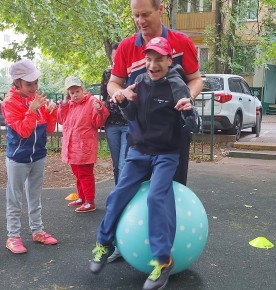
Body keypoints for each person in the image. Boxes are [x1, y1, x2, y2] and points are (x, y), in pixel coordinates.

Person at [90, 37, 199, 290]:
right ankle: (104, 244)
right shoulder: (138, 82)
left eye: (158, 59)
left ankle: (163, 261)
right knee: (118, 194)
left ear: (169, 60)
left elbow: (193, 125)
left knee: (156, 198)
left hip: (166, 154)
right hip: (138, 151)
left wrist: (188, 111)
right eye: (149, 59)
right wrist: (125, 102)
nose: (152, 64)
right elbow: (131, 116)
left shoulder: (177, 86)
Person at [107, 0, 203, 186]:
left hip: (173, 135)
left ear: (160, 10)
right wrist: (122, 93)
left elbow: (196, 79)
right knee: (132, 190)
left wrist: (187, 97)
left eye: (145, 14)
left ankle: (168, 216)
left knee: (170, 191)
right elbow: (113, 83)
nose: (140, 21)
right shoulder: (126, 47)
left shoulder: (182, 42)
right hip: (139, 136)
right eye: (136, 16)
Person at [2, 59, 58, 254]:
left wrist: (51, 112)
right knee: (14, 197)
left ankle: (38, 231)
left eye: (36, 82)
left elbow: (49, 128)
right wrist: (32, 110)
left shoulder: (36, 98)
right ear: (17, 83)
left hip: (38, 156)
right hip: (18, 158)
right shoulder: (10, 102)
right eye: (29, 84)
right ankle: (13, 237)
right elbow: (24, 132)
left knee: (35, 196)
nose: (34, 87)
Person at [58, 76, 110, 213]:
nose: (74, 95)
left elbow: (98, 122)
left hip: (84, 146)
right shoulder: (69, 105)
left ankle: (89, 201)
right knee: (78, 174)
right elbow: (61, 120)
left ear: (82, 89)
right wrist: (62, 106)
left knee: (85, 174)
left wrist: (100, 110)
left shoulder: (92, 102)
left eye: (77, 91)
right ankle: (82, 197)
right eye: (71, 93)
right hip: (72, 146)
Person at [101, 43, 128, 185]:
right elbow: (104, 96)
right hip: (111, 124)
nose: (116, 62)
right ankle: (119, 193)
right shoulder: (107, 73)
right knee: (116, 165)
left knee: (124, 164)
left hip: (128, 124)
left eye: (119, 58)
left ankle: (123, 196)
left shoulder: (131, 72)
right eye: (114, 58)